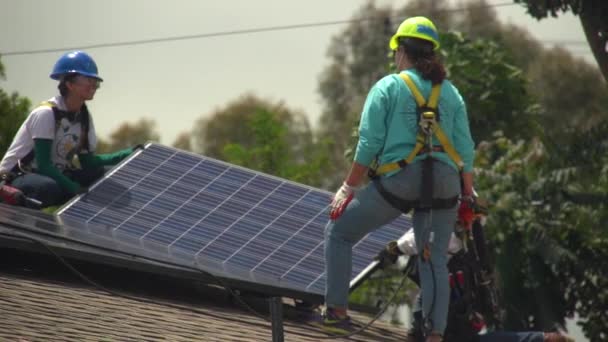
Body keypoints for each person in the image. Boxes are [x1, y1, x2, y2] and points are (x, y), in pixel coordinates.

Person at [317, 16, 475, 342]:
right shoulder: (451, 93)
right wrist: (469, 196)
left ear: (401, 51)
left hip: (400, 181)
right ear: (431, 53)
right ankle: (435, 335)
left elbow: (369, 143)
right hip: (446, 183)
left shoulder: (389, 86)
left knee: (339, 231)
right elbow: (465, 150)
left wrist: (349, 187)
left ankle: (336, 312)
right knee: (433, 260)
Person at [0, 51, 139, 208]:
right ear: (69, 84)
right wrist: (74, 188)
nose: (93, 85)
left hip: (53, 176)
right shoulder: (46, 113)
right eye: (88, 79)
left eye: (95, 81)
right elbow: (44, 165)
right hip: (18, 177)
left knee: (105, 175)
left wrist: (127, 154)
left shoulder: (84, 117)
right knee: (48, 188)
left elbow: (88, 163)